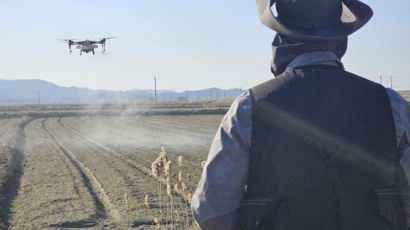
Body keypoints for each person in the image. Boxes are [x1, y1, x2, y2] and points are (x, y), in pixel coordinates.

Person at [191, 0, 410, 229]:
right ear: (340, 39)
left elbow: (212, 213)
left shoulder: (249, 108)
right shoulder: (391, 105)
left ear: (281, 39)